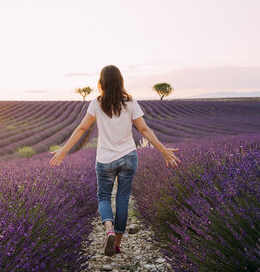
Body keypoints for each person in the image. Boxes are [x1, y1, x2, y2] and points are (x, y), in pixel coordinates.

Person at [50, 65, 181, 256]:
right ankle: (117, 243)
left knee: (103, 197)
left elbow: (81, 128)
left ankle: (109, 229)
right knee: (122, 199)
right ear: (121, 81)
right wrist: (163, 150)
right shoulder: (130, 102)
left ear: (101, 83)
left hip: (105, 159)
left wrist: (64, 150)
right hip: (128, 157)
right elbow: (143, 130)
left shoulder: (96, 103)